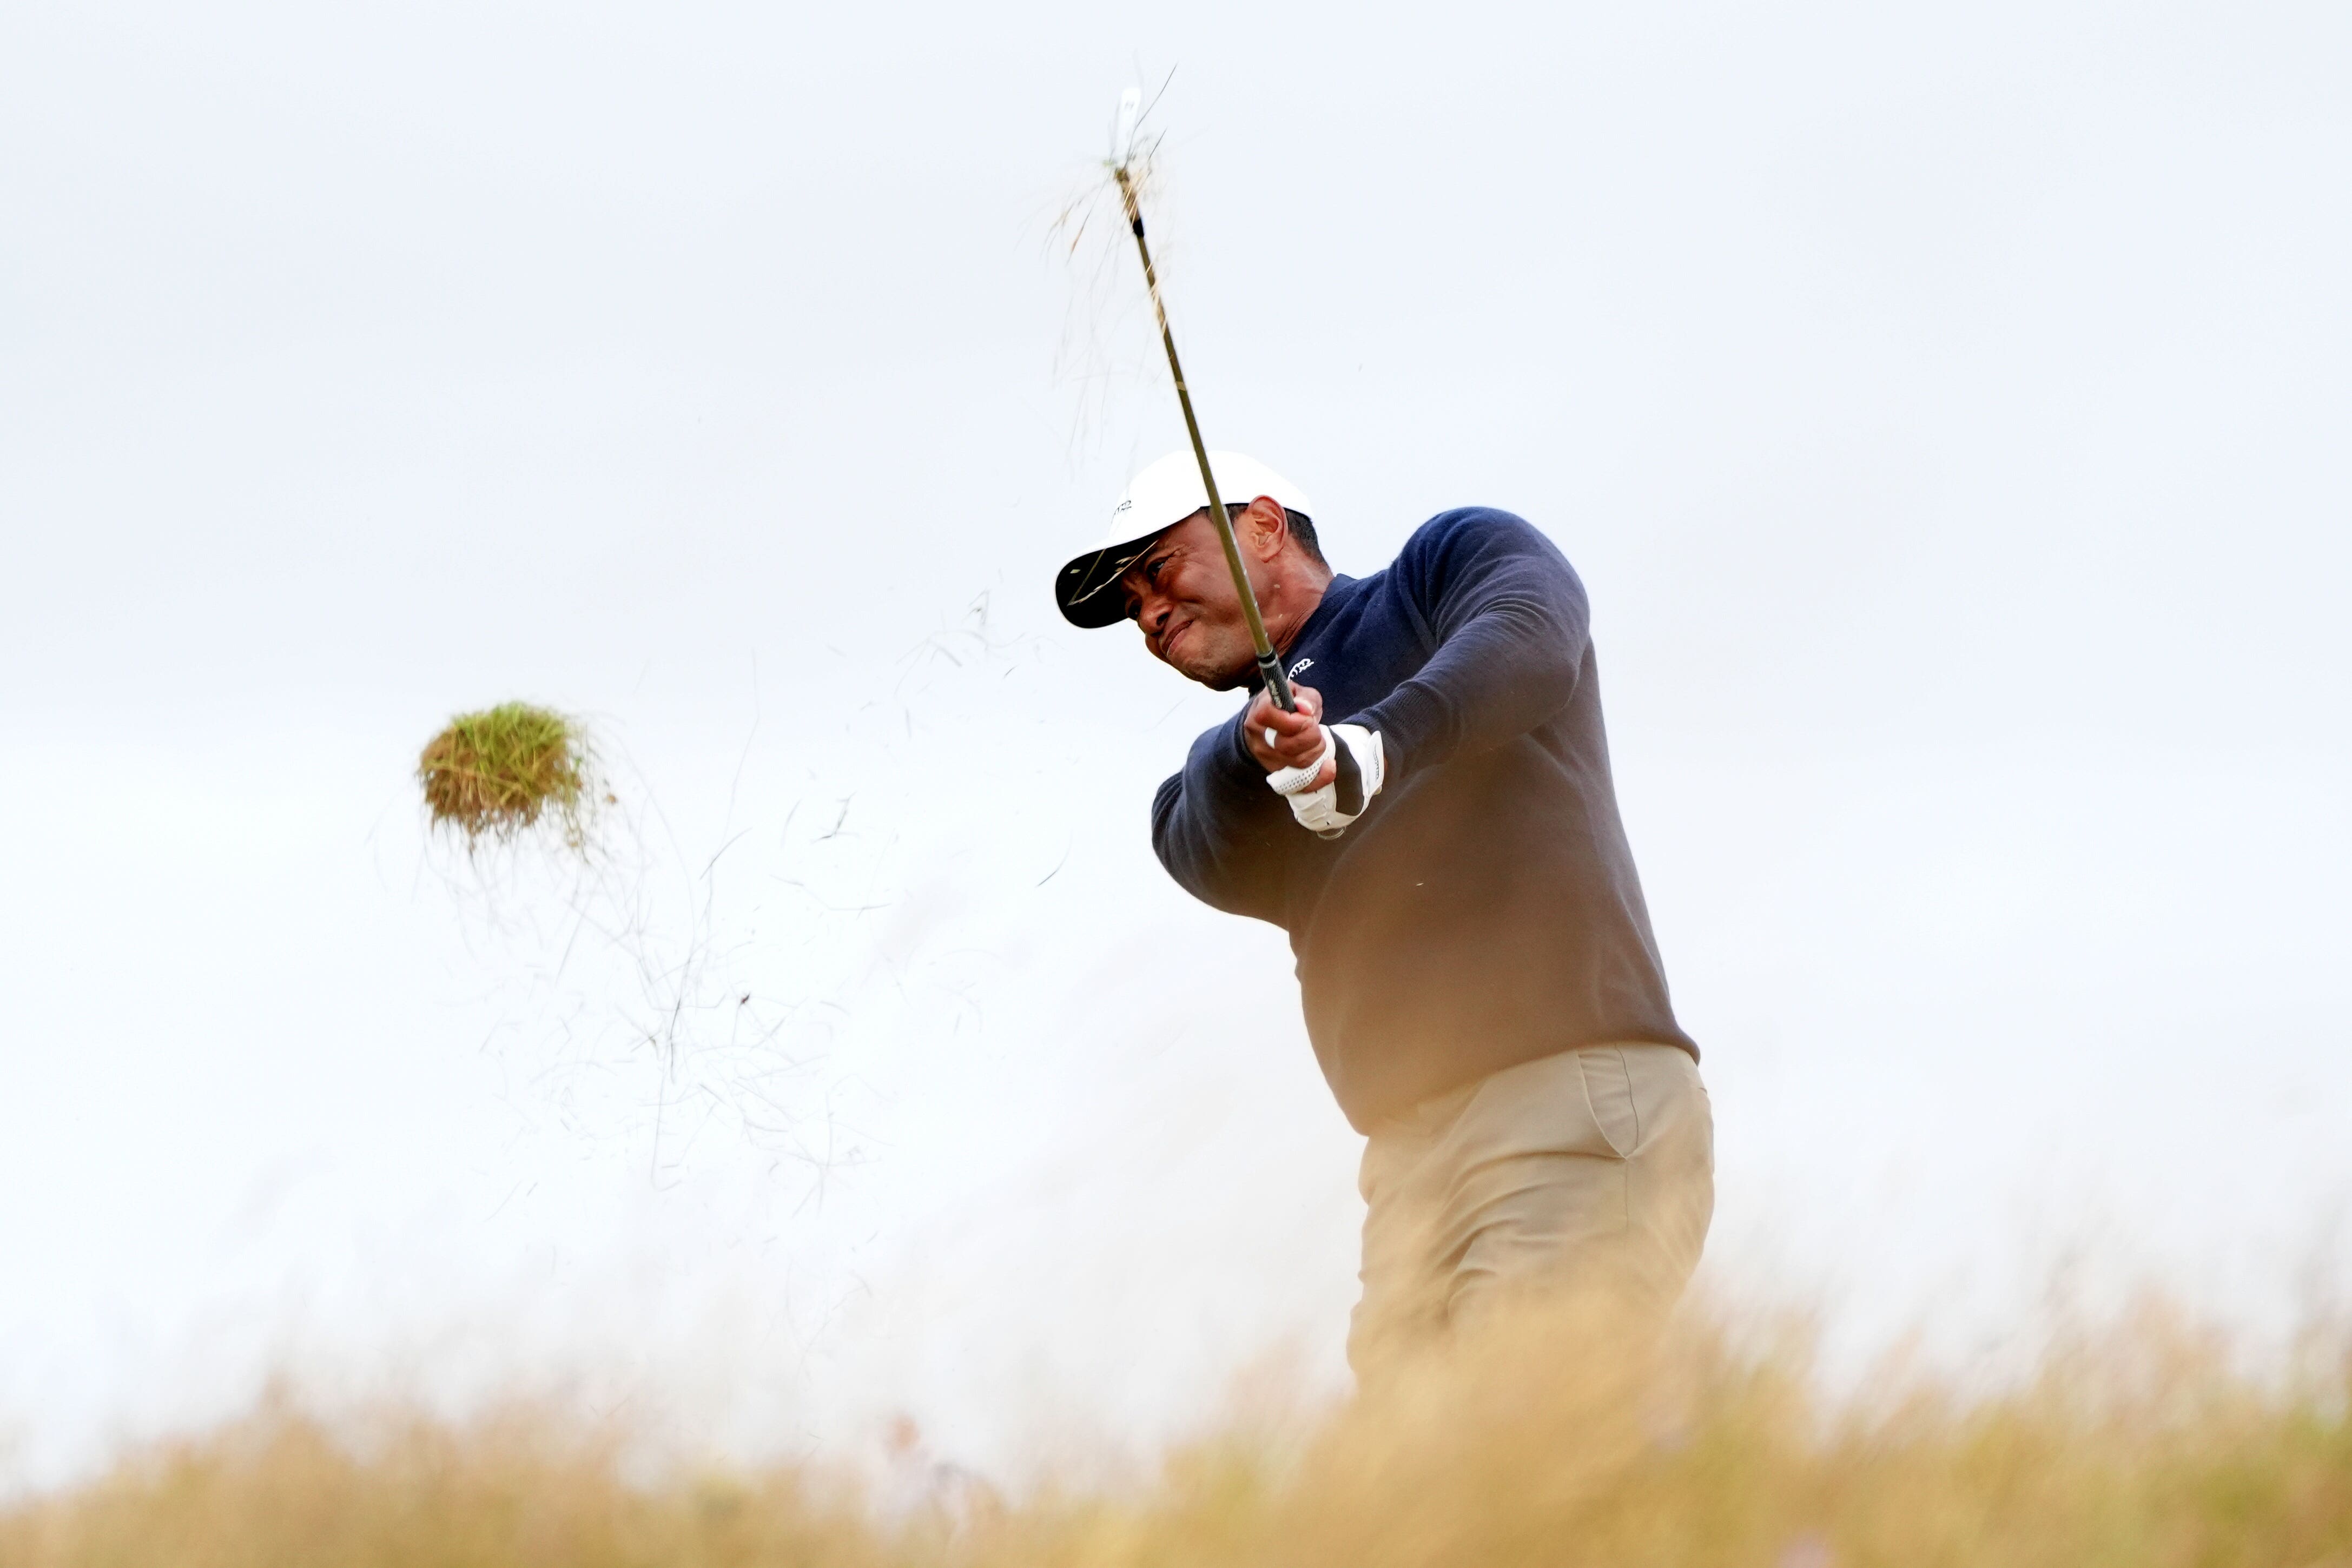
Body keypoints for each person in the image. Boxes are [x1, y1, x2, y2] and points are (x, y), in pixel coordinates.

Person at [1053, 449, 1715, 1375]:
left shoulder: (1438, 572)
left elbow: (1531, 628)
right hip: (1408, 1167)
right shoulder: (1252, 768)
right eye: (1131, 610)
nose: (1150, 615)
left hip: (1564, 1096)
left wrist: (1377, 745)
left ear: (1265, 526)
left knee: (1512, 1446)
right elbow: (1187, 831)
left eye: (1158, 572)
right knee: (1400, 1502)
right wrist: (1264, 753)